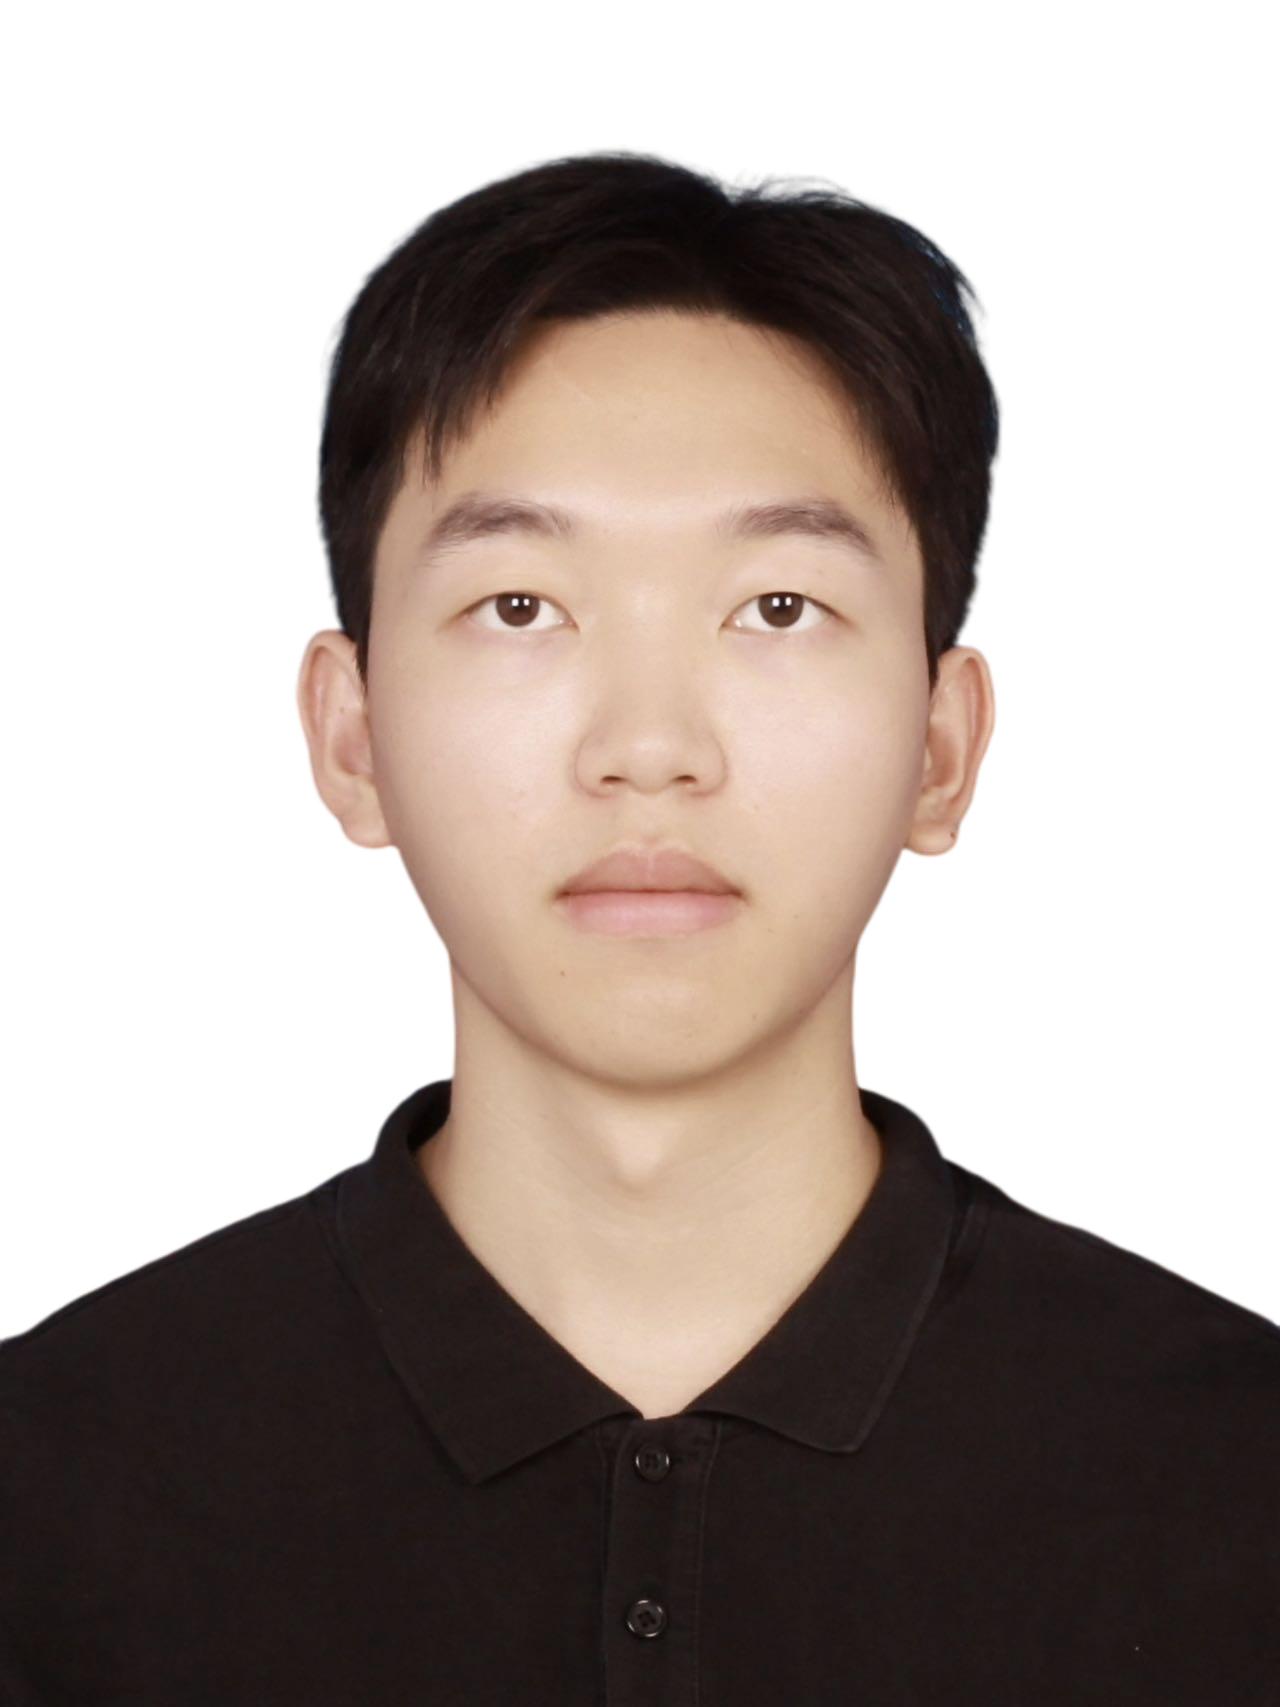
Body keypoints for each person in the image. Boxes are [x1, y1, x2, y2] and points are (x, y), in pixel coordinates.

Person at [2, 149, 1276, 1704]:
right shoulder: (53, 1487)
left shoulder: (1235, 1479)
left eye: (777, 608)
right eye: (522, 607)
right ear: (353, 736)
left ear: (941, 747)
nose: (651, 747)